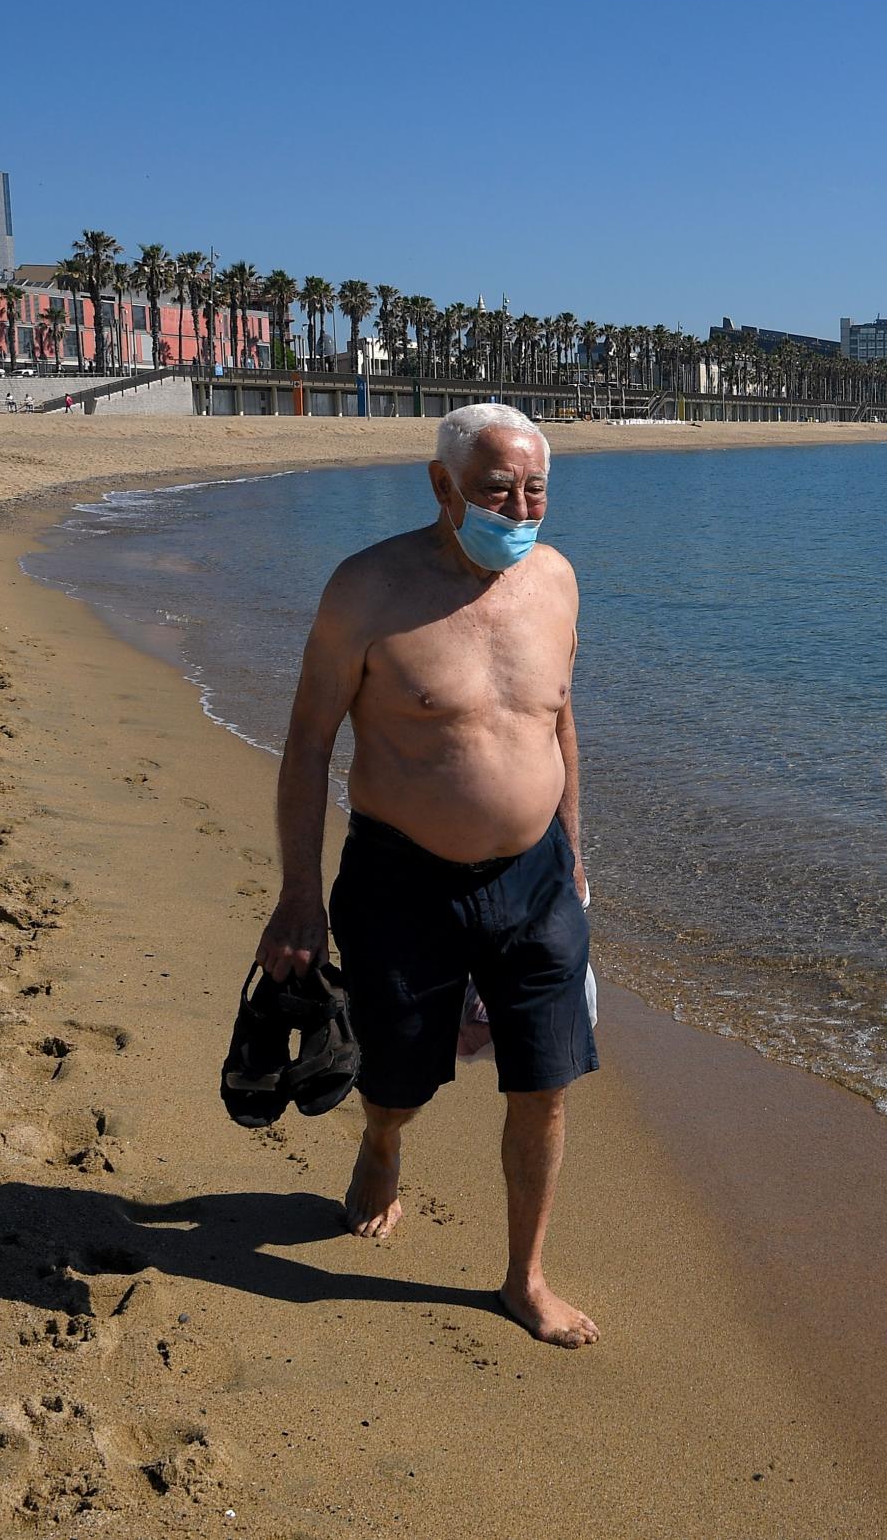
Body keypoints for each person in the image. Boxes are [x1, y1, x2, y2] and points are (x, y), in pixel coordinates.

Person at [254, 403, 597, 1347]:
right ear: (442, 485)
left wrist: (574, 858)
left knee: (546, 1080)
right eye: (497, 490)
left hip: (536, 878)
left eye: (535, 490)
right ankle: (383, 1141)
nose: (520, 508)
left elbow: (559, 720)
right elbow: (308, 743)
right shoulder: (365, 588)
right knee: (399, 1073)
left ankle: (525, 1276)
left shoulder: (558, 579)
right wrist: (296, 893)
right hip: (401, 876)